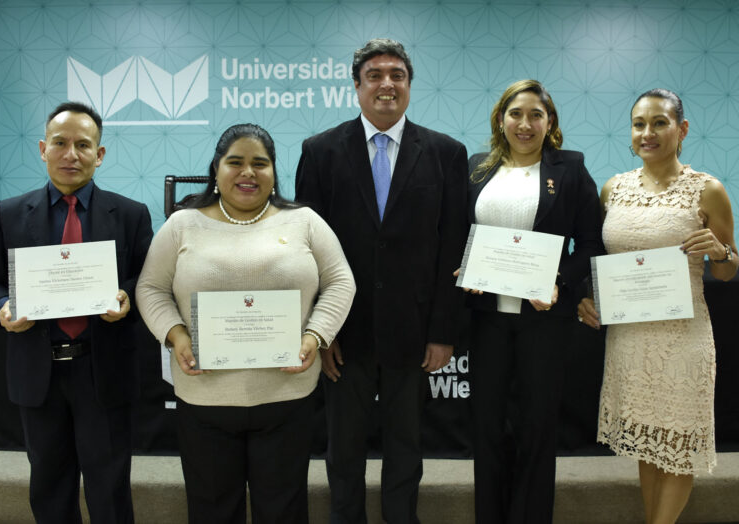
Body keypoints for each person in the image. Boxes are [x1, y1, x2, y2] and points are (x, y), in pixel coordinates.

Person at [135, 123, 355, 524]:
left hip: (286, 397)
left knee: (284, 508)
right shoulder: (182, 224)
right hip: (204, 400)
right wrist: (175, 333)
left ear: (274, 172)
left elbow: (341, 281)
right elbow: (150, 288)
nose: (248, 173)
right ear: (216, 170)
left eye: (260, 163)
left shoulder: (304, 221)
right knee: (212, 509)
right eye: (235, 162)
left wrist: (315, 335)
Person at [295, 38, 468, 523]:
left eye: (397, 75)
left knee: (406, 449)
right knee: (342, 451)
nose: (386, 84)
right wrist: (319, 331)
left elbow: (454, 247)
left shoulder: (446, 153)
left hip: (414, 332)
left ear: (409, 86)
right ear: (357, 87)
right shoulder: (320, 150)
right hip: (342, 333)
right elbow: (306, 251)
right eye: (374, 75)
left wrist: (442, 331)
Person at [0, 101, 153, 523]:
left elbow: (148, 284)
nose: (71, 154)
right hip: (39, 374)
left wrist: (127, 299)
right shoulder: (10, 213)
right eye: (60, 143)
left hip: (102, 372)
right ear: (42, 148)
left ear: (100, 154)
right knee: (50, 488)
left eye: (83, 145)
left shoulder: (130, 214)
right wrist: (2, 307)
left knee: (109, 489)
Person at [578, 88, 738, 524]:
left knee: (680, 448)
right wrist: (585, 297)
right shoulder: (613, 188)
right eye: (639, 124)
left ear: (681, 129)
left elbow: (727, 270)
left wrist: (720, 254)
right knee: (648, 448)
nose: (647, 133)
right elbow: (596, 258)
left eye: (659, 123)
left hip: (683, 339)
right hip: (630, 338)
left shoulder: (709, 191)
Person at [460, 79, 603, 523]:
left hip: (545, 319)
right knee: (486, 427)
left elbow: (592, 243)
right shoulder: (476, 168)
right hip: (486, 319)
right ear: (500, 119)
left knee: (537, 429)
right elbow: (460, 233)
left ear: (550, 122)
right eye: (515, 114)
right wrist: (464, 269)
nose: (525, 124)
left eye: (535, 115)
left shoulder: (571, 169)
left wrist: (559, 282)